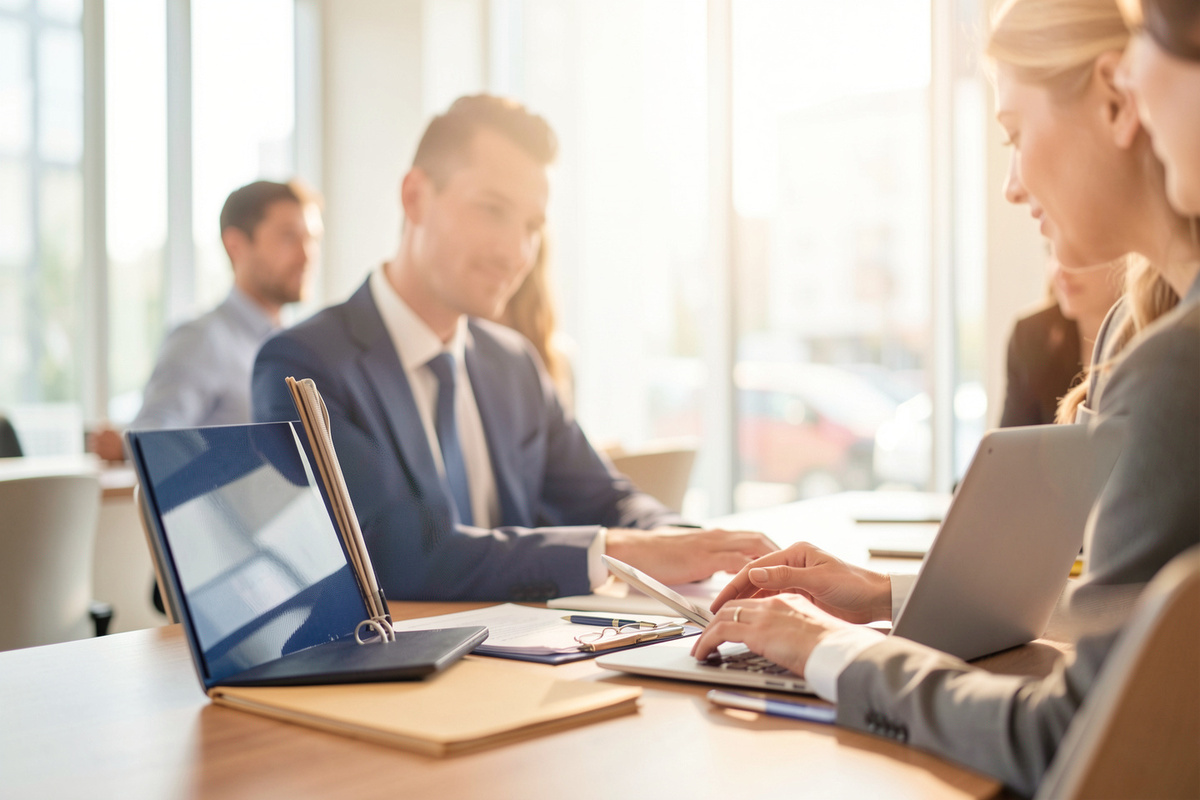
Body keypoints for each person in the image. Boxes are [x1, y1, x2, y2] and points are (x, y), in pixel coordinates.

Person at [690, 0, 1200, 794]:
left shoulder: (1173, 369)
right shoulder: (1144, 339)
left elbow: (1071, 739)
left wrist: (832, 650)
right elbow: (1137, 622)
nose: (1009, 186)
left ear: (1115, 97)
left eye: (1013, 135)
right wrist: (887, 596)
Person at [252, 95, 775, 602]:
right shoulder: (305, 366)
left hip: (526, 666)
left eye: (531, 226)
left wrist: (692, 543)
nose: (517, 252)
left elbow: (606, 498)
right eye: (492, 211)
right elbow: (392, 552)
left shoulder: (512, 362)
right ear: (415, 197)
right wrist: (615, 550)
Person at [91, 180, 322, 461]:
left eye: (312, 239)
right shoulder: (201, 339)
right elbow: (152, 442)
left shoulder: (297, 348)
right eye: (289, 237)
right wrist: (127, 445)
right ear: (236, 245)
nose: (307, 255)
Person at [999, 256, 1124, 427]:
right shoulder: (1031, 335)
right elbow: (1011, 444)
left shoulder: (1155, 337)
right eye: (1052, 251)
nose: (1061, 271)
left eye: (1078, 251)